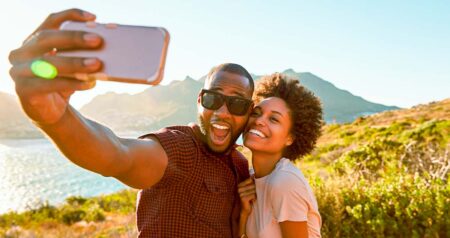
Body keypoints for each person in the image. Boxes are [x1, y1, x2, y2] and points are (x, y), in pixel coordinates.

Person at [8, 9, 254, 237]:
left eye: (237, 105)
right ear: (200, 100)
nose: (222, 112)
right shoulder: (180, 148)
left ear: (249, 112)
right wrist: (56, 119)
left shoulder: (240, 165)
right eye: (214, 99)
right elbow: (118, 154)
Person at [237, 73, 323, 238]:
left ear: (290, 138)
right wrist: (243, 213)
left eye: (274, 119)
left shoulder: (284, 182)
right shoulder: (251, 179)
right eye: (256, 113)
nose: (259, 121)